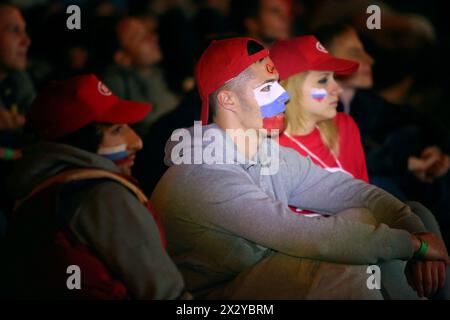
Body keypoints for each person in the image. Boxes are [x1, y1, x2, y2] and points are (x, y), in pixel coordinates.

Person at [151, 37, 449, 299]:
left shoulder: (266, 151)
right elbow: (306, 236)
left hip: (258, 275)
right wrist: (414, 245)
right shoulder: (204, 172)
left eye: (278, 85)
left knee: (377, 219)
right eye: (267, 89)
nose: (284, 97)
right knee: (346, 261)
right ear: (227, 100)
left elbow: (351, 191)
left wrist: (419, 237)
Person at [2, 74, 187, 299]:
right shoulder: (104, 196)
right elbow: (166, 294)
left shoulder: (34, 189)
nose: (136, 141)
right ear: (79, 141)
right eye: (117, 131)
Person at [315, 24, 450, 245]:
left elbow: (414, 117)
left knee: (415, 147)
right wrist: (408, 163)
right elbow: (348, 156)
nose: (369, 60)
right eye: (354, 53)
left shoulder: (363, 102)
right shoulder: (316, 105)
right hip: (342, 192)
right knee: (389, 189)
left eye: (364, 51)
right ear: (323, 62)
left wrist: (435, 150)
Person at [270, 35, 368, 183]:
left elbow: (366, 198)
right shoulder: (269, 148)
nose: (338, 89)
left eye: (334, 78)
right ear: (288, 89)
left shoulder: (345, 126)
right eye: (323, 80)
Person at [100, 15, 179, 136]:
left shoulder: (159, 73)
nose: (153, 38)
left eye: (149, 32)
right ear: (122, 57)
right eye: (140, 37)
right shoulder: (115, 84)